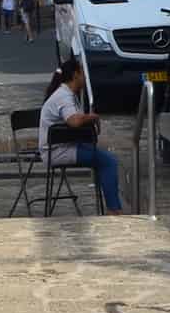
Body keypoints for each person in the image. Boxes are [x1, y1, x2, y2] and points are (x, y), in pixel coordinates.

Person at [40, 59, 125, 214]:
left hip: (65, 146)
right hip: (58, 151)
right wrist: (92, 117)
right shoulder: (63, 97)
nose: (85, 77)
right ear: (75, 75)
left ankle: (111, 204)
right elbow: (74, 121)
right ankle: (114, 210)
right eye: (83, 73)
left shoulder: (68, 95)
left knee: (104, 156)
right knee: (109, 161)